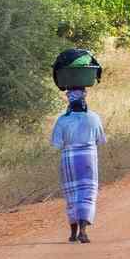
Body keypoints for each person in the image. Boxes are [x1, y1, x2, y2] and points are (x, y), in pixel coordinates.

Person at [50, 88, 107, 243]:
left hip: (69, 159)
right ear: (84, 101)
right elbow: (100, 140)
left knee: (72, 195)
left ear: (70, 102)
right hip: (88, 158)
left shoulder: (62, 120)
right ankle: (83, 231)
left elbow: (56, 143)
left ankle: (73, 234)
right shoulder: (94, 118)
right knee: (87, 193)